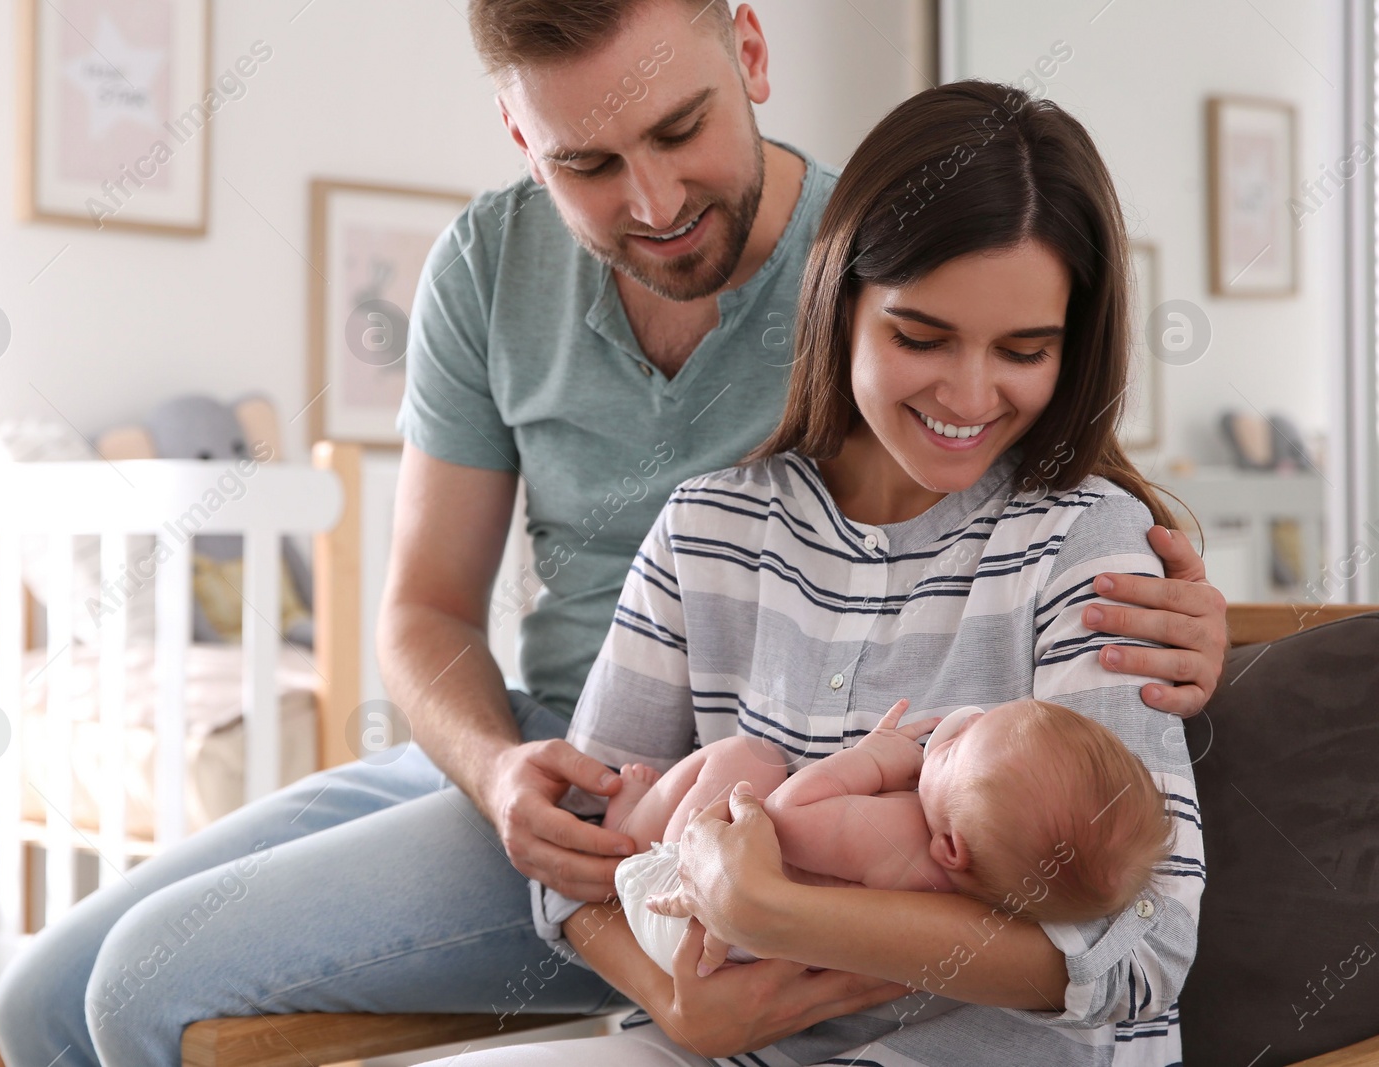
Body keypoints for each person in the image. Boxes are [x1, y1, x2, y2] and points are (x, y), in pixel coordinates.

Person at [0, 4, 1227, 1064]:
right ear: (523, 137)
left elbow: (1028, 460)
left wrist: (1171, 590)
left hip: (726, 803)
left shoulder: (893, 245)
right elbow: (424, 608)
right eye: (588, 161)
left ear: (747, 49)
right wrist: (501, 778)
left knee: (145, 979)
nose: (653, 199)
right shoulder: (494, 275)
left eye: (680, 130)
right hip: (561, 768)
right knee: (40, 997)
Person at [422, 77, 1207, 1066]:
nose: (969, 394)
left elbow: (1142, 946)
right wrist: (675, 997)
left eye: (1024, 349)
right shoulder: (706, 529)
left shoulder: (1085, 547)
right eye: (919, 336)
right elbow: (573, 860)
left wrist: (771, 908)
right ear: (840, 307)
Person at [605, 699, 1174, 976]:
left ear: (951, 847)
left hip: (683, 900)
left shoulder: (896, 836)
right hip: (727, 943)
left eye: (951, 751)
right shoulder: (972, 883)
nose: (955, 729)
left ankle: (630, 830)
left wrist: (871, 762)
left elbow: (783, 817)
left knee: (748, 757)